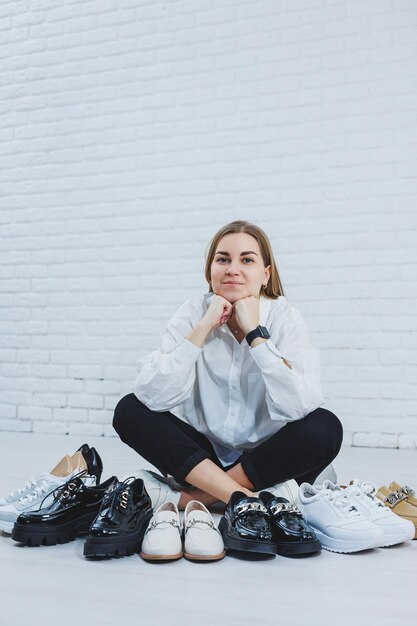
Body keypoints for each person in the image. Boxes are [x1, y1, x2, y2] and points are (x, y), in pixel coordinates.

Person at [113, 220, 343, 510]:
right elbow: (155, 396)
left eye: (247, 260)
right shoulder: (193, 312)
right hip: (203, 457)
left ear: (265, 274)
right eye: (223, 259)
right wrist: (203, 327)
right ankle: (248, 499)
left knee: (325, 428)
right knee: (129, 410)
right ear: (210, 271)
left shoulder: (285, 317)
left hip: (267, 456)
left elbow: (299, 405)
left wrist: (255, 333)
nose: (233, 269)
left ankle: (192, 498)